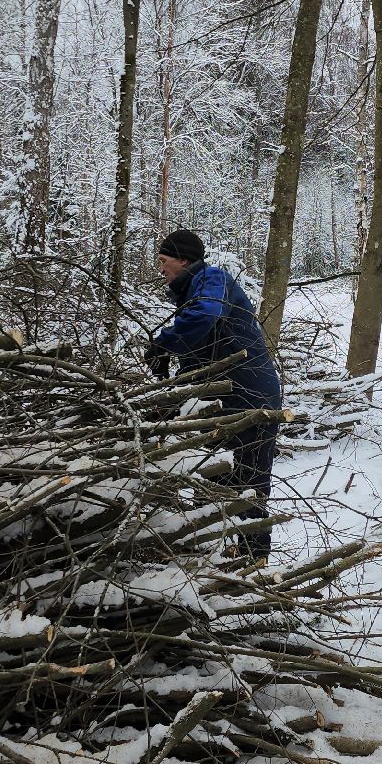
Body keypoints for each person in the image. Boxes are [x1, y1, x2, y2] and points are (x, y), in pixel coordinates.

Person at [145, 229, 284, 561]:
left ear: (184, 260)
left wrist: (164, 342)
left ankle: (253, 562)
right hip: (222, 399)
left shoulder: (211, 278)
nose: (161, 269)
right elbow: (202, 354)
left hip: (251, 397)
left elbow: (206, 317)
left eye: (164, 262)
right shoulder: (192, 290)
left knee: (248, 484)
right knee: (212, 477)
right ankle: (212, 557)